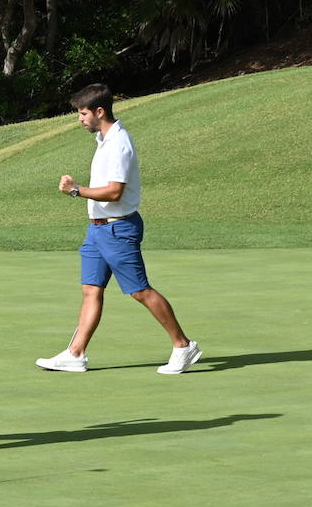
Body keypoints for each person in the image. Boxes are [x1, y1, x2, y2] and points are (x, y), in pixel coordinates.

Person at [35, 83, 202, 374]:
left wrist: (76, 191)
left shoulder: (119, 144)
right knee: (91, 290)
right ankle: (75, 353)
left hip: (119, 228)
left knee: (140, 291)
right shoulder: (103, 139)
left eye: (83, 113)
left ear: (100, 112)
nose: (80, 119)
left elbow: (114, 192)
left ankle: (183, 346)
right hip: (97, 230)